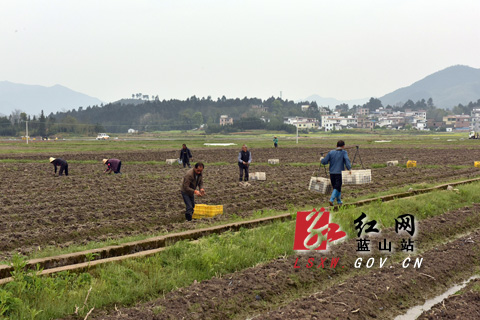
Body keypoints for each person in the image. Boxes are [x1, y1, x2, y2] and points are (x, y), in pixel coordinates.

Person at [320, 140, 352, 206]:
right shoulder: (344, 152)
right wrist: (349, 169)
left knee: (336, 186)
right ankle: (331, 199)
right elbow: (347, 160)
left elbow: (324, 162)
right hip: (339, 173)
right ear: (343, 146)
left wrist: (321, 159)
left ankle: (339, 201)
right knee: (337, 187)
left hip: (332, 173)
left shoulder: (331, 152)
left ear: (336, 146)